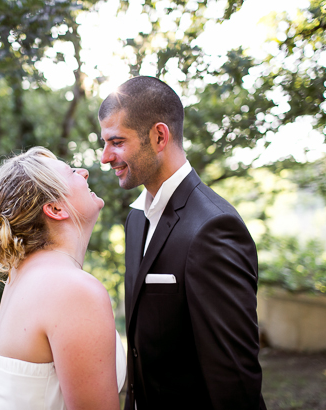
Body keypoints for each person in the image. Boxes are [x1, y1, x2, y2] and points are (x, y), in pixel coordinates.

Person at [99, 76, 267, 410]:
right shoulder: (135, 219)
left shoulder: (214, 227)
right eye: (104, 143)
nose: (105, 157)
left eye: (117, 142)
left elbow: (235, 379)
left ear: (159, 136)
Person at [0, 147, 125, 410]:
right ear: (54, 208)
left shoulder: (20, 277)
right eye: (72, 171)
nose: (84, 172)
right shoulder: (72, 291)